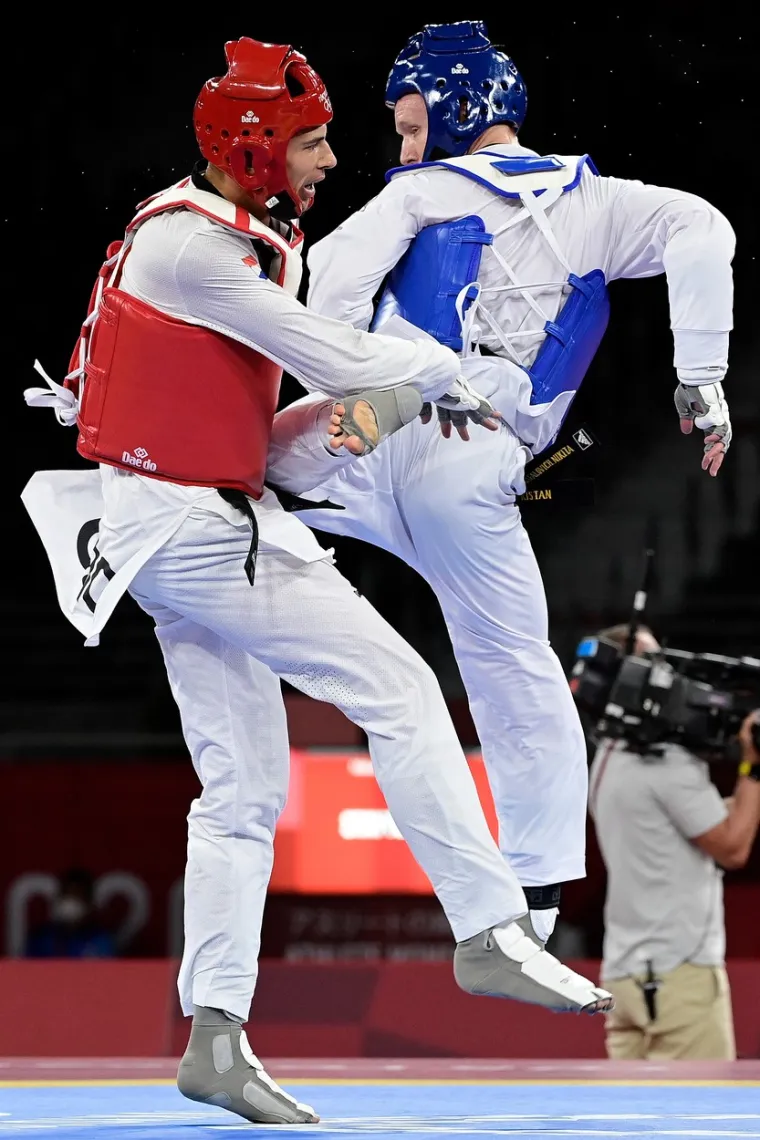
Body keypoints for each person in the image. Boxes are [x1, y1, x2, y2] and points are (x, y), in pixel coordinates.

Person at [22, 37, 612, 1127]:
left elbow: (269, 440)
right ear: (249, 149)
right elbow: (337, 356)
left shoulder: (238, 243)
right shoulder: (188, 253)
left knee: (242, 793)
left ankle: (214, 1037)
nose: (333, 159)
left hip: (192, 518)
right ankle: (488, 932)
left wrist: (399, 407)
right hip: (192, 533)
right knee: (399, 689)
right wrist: (458, 381)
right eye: (311, 141)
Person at [264, 19, 736, 951]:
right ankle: (537, 891)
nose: (402, 147)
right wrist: (700, 373)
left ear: (453, 111)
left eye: (408, 125)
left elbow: (325, 288)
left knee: (258, 473)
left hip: (370, 432)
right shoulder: (600, 204)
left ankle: (217, 487)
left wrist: (354, 382)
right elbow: (704, 229)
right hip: (468, 458)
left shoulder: (419, 193)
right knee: (512, 665)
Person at [588, 624, 760, 1059]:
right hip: (679, 979)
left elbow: (680, 819)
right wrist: (753, 768)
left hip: (624, 977)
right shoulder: (667, 766)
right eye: (651, 664)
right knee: (703, 1122)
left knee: (632, 1125)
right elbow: (733, 847)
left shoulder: (606, 757)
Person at [24, 869, 116, 959]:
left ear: (89, 902)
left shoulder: (101, 940)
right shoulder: (41, 938)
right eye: (66, 894)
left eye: (77, 896)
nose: (70, 902)